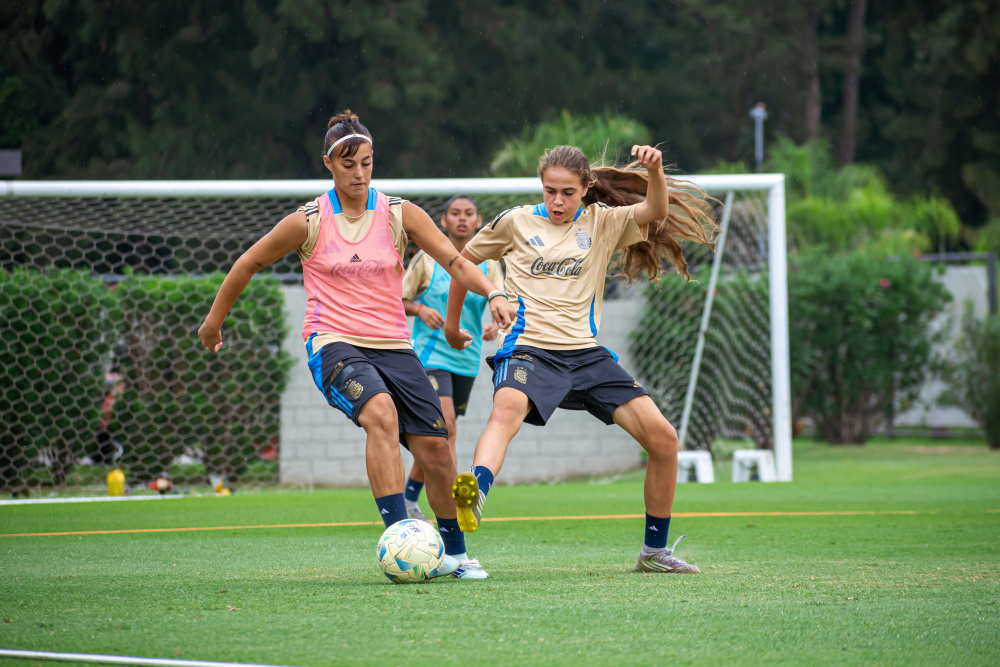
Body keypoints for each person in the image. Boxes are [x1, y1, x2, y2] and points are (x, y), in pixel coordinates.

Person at [198, 110, 513, 580]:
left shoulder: (399, 214)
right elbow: (248, 263)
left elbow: (456, 260)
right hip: (334, 342)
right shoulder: (308, 221)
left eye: (367, 163)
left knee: (438, 450)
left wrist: (496, 293)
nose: (360, 174)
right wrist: (212, 322)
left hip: (395, 346)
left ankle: (454, 554)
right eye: (349, 165)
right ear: (328, 163)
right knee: (381, 413)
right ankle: (401, 537)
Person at [443, 144, 717, 574]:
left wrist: (657, 170)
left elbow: (656, 208)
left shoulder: (603, 222)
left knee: (664, 440)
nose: (557, 201)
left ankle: (655, 553)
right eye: (549, 190)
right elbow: (461, 264)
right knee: (507, 410)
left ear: (587, 188)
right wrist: (451, 326)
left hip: (586, 355)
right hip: (529, 347)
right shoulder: (515, 222)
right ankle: (474, 493)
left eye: (568, 192)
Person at [399, 195, 503, 522]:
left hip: (467, 360)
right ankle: (454, 508)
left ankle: (408, 500)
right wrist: (419, 308)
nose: (461, 219)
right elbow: (397, 299)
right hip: (431, 356)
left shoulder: (490, 264)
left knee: (439, 435)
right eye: (455, 214)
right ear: (443, 221)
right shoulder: (428, 260)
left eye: (468, 214)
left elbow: (501, 303)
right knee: (447, 427)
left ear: (478, 220)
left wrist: (492, 328)